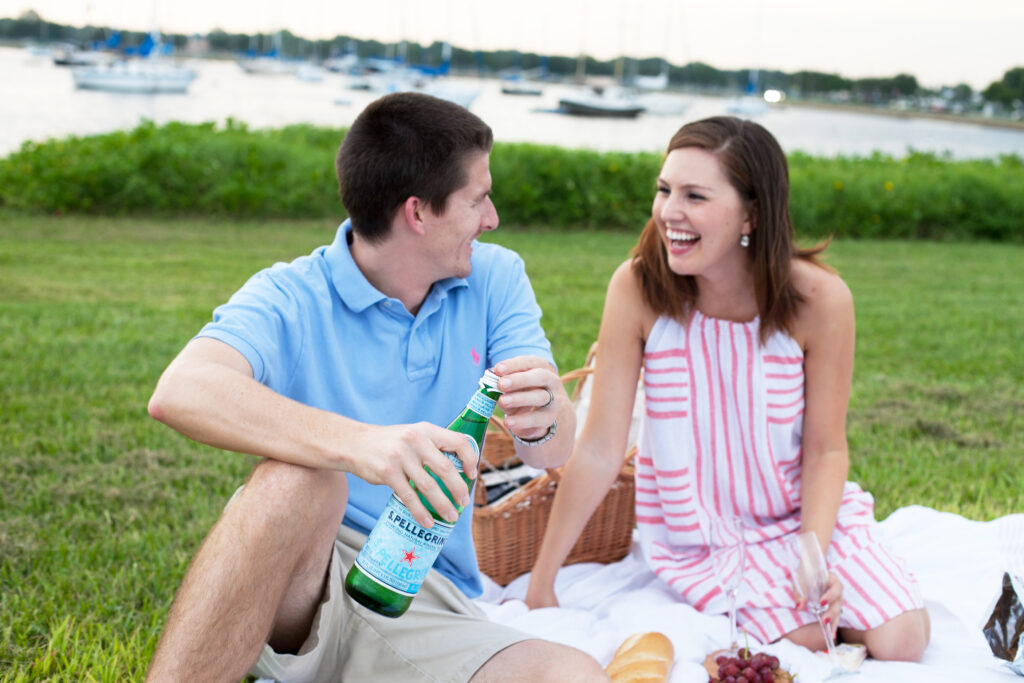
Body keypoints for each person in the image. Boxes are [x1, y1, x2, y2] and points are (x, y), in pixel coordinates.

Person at [145, 92, 607, 682]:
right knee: (297, 482)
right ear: (418, 213)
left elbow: (551, 452)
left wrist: (544, 410)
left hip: (427, 593)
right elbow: (183, 390)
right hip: (300, 578)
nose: (490, 218)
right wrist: (364, 446)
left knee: (572, 674)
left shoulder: (495, 277)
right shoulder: (292, 294)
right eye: (478, 199)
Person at [524, 116, 931, 661]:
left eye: (695, 196)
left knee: (903, 642)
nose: (670, 212)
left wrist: (813, 558)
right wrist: (541, 581)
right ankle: (811, 622)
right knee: (809, 640)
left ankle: (834, 595)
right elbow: (598, 448)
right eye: (664, 190)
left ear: (752, 213)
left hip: (800, 516)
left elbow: (826, 448)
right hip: (701, 536)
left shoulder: (820, 300)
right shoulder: (637, 287)